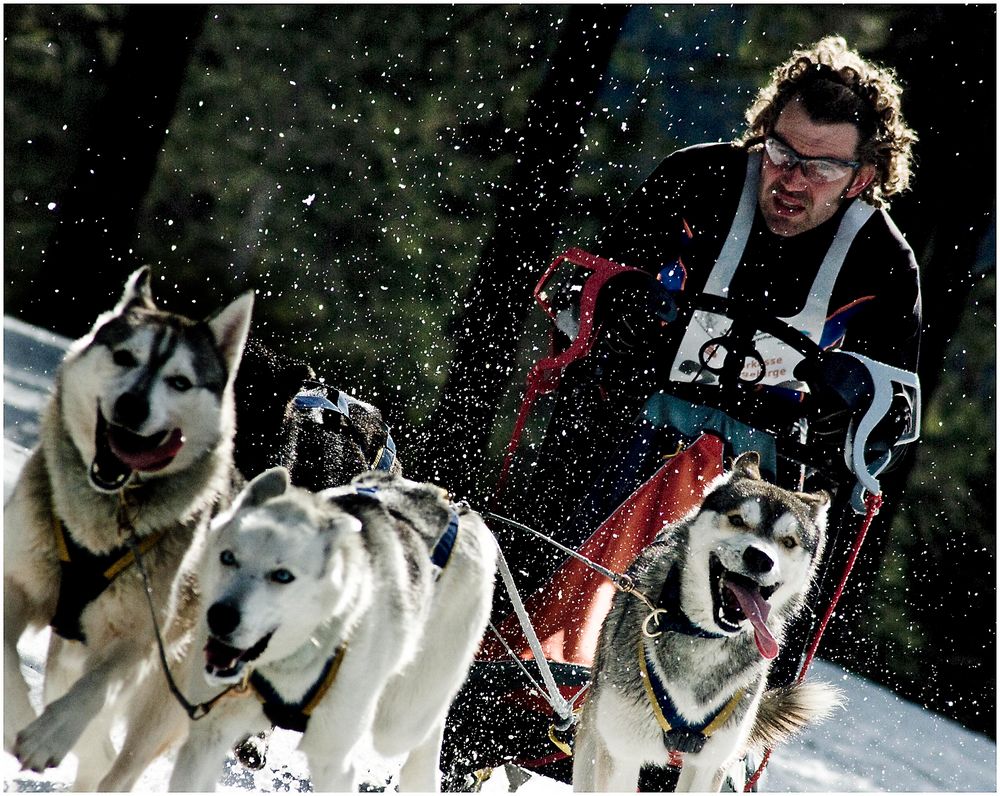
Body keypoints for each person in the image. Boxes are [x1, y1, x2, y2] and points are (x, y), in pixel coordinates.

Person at [482, 35, 922, 791]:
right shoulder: (696, 179)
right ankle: (498, 700)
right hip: (628, 425)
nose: (790, 179)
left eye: (819, 166)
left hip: (762, 476)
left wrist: (853, 390)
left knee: (729, 577)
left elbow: (897, 417)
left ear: (863, 177)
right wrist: (627, 304)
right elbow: (578, 288)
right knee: (559, 529)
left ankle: (698, 744)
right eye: (780, 152)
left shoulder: (884, 261)